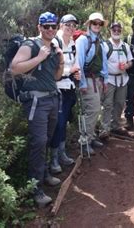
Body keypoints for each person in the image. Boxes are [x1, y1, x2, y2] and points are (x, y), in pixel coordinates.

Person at [10, 11, 64, 207]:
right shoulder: (30, 45)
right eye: (46, 26)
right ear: (39, 27)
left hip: (52, 100)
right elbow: (14, 69)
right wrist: (40, 57)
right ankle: (35, 189)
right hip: (36, 103)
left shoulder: (55, 45)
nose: (50, 29)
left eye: (53, 26)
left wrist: (61, 60)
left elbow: (57, 78)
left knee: (47, 140)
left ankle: (45, 174)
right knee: (38, 143)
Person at [49, 14, 81, 174]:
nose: (71, 27)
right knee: (58, 124)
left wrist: (76, 73)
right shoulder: (56, 42)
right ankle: (54, 159)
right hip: (57, 89)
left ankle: (62, 153)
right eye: (67, 24)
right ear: (61, 25)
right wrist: (70, 71)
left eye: (73, 25)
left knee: (64, 123)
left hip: (69, 88)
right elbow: (53, 69)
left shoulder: (73, 43)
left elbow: (75, 62)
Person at [75, 12, 108, 155]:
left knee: (96, 110)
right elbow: (79, 63)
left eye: (100, 23)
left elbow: (104, 62)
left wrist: (105, 80)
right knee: (92, 110)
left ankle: (92, 136)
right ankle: (84, 141)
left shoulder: (100, 40)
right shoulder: (83, 40)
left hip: (98, 80)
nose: (97, 26)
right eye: (94, 23)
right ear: (89, 24)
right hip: (88, 80)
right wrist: (82, 83)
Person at [101, 22, 133, 138]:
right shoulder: (105, 46)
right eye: (114, 30)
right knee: (108, 104)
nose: (116, 32)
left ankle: (115, 125)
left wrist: (127, 66)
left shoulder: (125, 46)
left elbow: (130, 61)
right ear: (110, 31)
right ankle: (105, 128)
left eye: (118, 30)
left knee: (120, 103)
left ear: (121, 31)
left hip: (122, 79)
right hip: (109, 79)